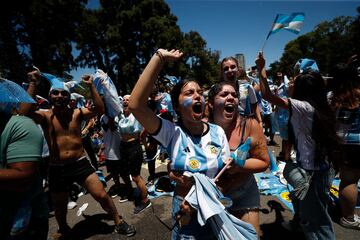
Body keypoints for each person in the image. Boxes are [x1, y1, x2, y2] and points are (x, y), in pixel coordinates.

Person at [129, 49, 231, 239]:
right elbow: (135, 105)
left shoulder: (218, 132)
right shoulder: (171, 133)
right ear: (176, 105)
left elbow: (225, 175)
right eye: (189, 93)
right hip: (185, 213)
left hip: (216, 209)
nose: (198, 96)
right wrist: (159, 58)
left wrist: (205, 197)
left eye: (200, 92)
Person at [22, 71, 136, 237]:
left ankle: (118, 221)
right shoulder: (46, 116)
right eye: (55, 93)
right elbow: (25, 113)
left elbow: (99, 108)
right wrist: (33, 82)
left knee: (102, 195)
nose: (59, 96)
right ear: (50, 96)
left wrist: (90, 86)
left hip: (80, 163)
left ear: (68, 97)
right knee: (59, 205)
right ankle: (64, 229)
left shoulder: (77, 113)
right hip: (57, 167)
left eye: (63, 93)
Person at [256, 53, 340, 240]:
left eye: (293, 81)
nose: (289, 84)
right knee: (299, 196)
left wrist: (262, 67)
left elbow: (267, 95)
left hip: (312, 175)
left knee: (319, 225)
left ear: (302, 90)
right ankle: (298, 224)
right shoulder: (320, 104)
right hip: (320, 169)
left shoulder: (303, 107)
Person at [207, 81, 270, 235]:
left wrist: (238, 166)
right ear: (210, 103)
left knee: (249, 236)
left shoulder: (250, 125)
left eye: (234, 95)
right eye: (224, 94)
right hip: (212, 196)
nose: (231, 97)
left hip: (244, 193)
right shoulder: (201, 127)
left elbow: (264, 162)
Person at [0, 101, 48, 239]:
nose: (59, 96)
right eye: (56, 93)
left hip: (17, 213)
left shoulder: (21, 124)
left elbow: (23, 177)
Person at [329, 55, 360, 229]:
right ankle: (348, 217)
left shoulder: (331, 96)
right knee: (350, 180)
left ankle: (321, 202)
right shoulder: (358, 95)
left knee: (331, 175)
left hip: (335, 142)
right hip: (355, 144)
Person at [118, 94, 151, 213]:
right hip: (123, 146)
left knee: (136, 176)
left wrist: (142, 137)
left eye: (128, 100)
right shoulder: (120, 115)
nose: (126, 102)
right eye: (124, 100)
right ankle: (133, 193)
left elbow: (148, 123)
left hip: (134, 146)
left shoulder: (136, 113)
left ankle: (145, 200)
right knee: (125, 172)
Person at [220, 57, 262, 124]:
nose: (230, 70)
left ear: (237, 70)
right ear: (222, 72)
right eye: (226, 68)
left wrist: (260, 122)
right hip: (225, 127)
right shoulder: (217, 90)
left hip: (244, 126)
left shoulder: (247, 87)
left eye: (233, 67)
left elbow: (254, 105)